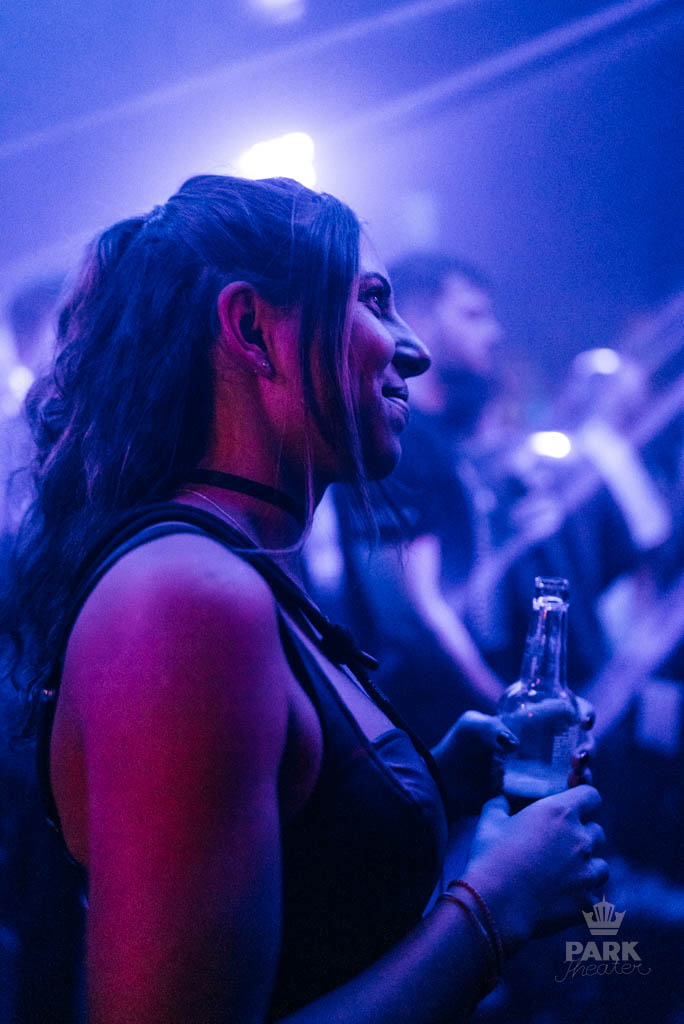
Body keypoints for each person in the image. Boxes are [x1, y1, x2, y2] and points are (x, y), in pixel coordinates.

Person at [6, 175, 606, 1024]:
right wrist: (495, 909)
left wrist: (437, 783)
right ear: (253, 330)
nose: (413, 351)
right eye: (375, 302)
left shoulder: (232, 573)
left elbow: (291, 893)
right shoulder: (187, 597)